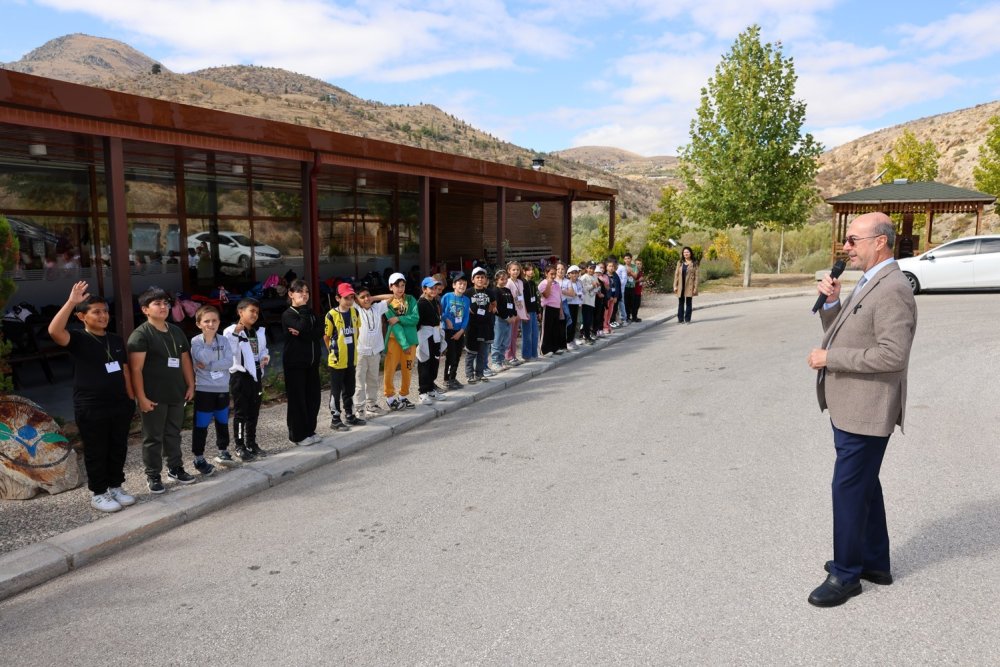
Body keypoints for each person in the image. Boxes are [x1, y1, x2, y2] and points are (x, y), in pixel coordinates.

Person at [806, 211, 918, 608]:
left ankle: (845, 574)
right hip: (852, 405)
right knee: (865, 483)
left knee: (848, 488)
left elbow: (892, 355)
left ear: (880, 242)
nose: (846, 247)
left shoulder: (892, 289)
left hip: (869, 408)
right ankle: (875, 562)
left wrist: (830, 358)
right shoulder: (872, 280)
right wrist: (832, 304)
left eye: (854, 240)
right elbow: (849, 330)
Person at [48, 281, 136, 512]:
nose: (103, 315)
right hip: (91, 405)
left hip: (119, 403)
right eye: (96, 312)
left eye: (105, 311)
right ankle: (99, 493)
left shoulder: (115, 340)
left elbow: (125, 370)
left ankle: (116, 486)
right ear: (82, 317)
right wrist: (71, 302)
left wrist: (131, 398)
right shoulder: (77, 339)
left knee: (118, 447)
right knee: (97, 449)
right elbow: (54, 331)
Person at [128, 287, 197, 493]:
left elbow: (185, 359)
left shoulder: (176, 331)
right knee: (153, 437)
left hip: (176, 392)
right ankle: (153, 474)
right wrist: (141, 397)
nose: (163, 307)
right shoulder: (140, 335)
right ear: (145, 310)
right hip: (153, 396)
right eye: (157, 304)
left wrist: (191, 385)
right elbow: (135, 369)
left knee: (173, 433)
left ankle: (175, 468)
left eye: (166, 303)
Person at [224, 298, 270, 460]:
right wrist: (236, 333)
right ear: (240, 312)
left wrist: (265, 357)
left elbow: (263, 350)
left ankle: (251, 443)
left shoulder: (258, 331)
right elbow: (229, 351)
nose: (255, 315)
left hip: (256, 375)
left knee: (254, 412)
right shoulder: (231, 331)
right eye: (251, 311)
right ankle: (240, 445)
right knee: (241, 413)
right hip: (240, 377)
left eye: (257, 312)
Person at [189, 305, 231, 474]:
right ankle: (198, 457)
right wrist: (207, 341)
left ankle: (223, 450)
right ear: (199, 324)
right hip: (204, 389)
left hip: (222, 387)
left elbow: (229, 362)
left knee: (222, 422)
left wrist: (210, 365)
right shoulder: (196, 341)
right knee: (201, 425)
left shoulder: (224, 340)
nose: (211, 324)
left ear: (219, 322)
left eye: (214, 320)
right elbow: (202, 357)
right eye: (206, 321)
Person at [282, 279, 323, 446]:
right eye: (300, 291)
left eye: (306, 291)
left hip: (312, 363)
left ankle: (309, 430)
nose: (304, 294)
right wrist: (304, 326)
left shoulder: (311, 312)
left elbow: (319, 331)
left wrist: (302, 333)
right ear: (291, 294)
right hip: (295, 364)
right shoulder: (289, 314)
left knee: (313, 398)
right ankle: (297, 435)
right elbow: (304, 327)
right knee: (297, 400)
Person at [324, 283, 366, 430]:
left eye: (351, 298)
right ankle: (335, 418)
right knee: (336, 391)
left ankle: (350, 415)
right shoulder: (331, 315)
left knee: (350, 389)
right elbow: (326, 337)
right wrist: (333, 351)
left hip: (351, 358)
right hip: (337, 360)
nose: (349, 301)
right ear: (337, 298)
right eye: (345, 298)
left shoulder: (355, 312)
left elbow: (357, 331)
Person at [382, 272, 418, 410]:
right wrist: (404, 344)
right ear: (391, 287)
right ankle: (390, 398)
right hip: (394, 341)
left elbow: (415, 318)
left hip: (411, 341)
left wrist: (399, 318)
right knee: (390, 369)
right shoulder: (388, 303)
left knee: (408, 369)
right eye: (397, 286)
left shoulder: (411, 299)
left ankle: (403, 396)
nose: (400, 289)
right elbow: (394, 325)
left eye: (402, 285)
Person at [353, 285, 390, 418]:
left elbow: (392, 297)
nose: (366, 299)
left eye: (368, 295)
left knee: (373, 380)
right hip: (361, 352)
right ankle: (359, 408)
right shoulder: (356, 309)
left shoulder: (377, 308)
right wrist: (358, 299)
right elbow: (349, 299)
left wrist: (373, 298)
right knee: (359, 382)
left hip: (375, 351)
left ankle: (371, 405)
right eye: (362, 297)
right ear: (356, 300)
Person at [415, 276, 447, 403]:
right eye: (431, 288)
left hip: (436, 333)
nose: (434, 290)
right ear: (424, 289)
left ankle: (431, 388)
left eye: (435, 288)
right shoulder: (421, 303)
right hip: (425, 334)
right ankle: (423, 392)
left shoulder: (435, 301)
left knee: (435, 362)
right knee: (425, 362)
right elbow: (417, 322)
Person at [464, 266, 495, 382]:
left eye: (482, 277)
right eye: (477, 277)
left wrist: (492, 308)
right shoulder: (468, 293)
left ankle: (480, 373)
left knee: (483, 353)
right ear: (473, 279)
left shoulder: (490, 292)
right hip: (472, 327)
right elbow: (462, 305)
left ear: (486, 279)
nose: (480, 279)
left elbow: (493, 303)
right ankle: (469, 374)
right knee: (471, 352)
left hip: (485, 326)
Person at [440, 273, 470, 390]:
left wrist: (462, 330)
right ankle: (447, 379)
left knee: (458, 355)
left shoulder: (466, 300)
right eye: (460, 283)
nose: (462, 286)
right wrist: (446, 320)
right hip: (449, 331)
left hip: (459, 331)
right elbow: (441, 311)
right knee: (451, 356)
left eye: (464, 284)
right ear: (454, 285)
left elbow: (466, 316)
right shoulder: (447, 297)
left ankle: (453, 377)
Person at [490, 268, 517, 372]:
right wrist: (506, 317)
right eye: (502, 279)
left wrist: (514, 315)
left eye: (506, 279)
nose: (504, 281)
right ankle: (495, 362)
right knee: (497, 341)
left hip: (510, 319)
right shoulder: (495, 291)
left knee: (506, 341)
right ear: (497, 280)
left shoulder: (508, 290)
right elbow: (497, 307)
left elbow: (512, 304)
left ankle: (501, 361)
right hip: (500, 319)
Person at [538, 264, 564, 356]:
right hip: (548, 308)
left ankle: (554, 348)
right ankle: (544, 350)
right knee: (547, 329)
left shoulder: (557, 283)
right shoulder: (543, 283)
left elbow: (559, 297)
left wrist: (561, 310)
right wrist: (549, 283)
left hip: (556, 308)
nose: (553, 276)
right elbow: (546, 295)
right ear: (546, 273)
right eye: (551, 274)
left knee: (555, 329)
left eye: (554, 274)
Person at [520, 263, 540, 360]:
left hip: (533, 311)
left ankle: (534, 354)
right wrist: (524, 312)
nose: (531, 271)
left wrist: (538, 311)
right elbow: (522, 299)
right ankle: (526, 355)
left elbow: (535, 298)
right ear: (524, 271)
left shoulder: (532, 283)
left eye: (532, 269)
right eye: (528, 270)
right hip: (526, 312)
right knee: (527, 334)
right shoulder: (522, 283)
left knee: (535, 333)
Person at [674, 247, 698, 323]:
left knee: (688, 302)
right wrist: (675, 286)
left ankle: (687, 319)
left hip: (689, 286)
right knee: (680, 303)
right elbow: (676, 275)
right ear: (683, 254)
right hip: (680, 285)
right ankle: (680, 319)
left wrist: (695, 288)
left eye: (687, 252)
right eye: (684, 252)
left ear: (690, 253)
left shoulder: (694, 263)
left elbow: (697, 277)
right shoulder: (680, 262)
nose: (686, 254)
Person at [562, 265, 583, 349]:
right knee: (569, 323)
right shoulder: (567, 282)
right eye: (572, 273)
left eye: (576, 273)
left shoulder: (579, 282)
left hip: (576, 304)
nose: (575, 275)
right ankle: (567, 341)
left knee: (575, 322)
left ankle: (572, 339)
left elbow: (581, 292)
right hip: (569, 304)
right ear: (569, 274)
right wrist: (575, 294)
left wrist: (579, 296)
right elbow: (567, 294)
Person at [579, 262, 598, 344]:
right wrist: (592, 286)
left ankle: (588, 335)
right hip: (585, 301)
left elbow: (598, 287)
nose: (591, 270)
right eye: (590, 268)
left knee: (590, 320)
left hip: (592, 300)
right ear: (586, 268)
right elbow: (583, 289)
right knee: (586, 320)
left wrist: (595, 287)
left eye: (593, 268)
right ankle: (585, 336)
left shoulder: (595, 276)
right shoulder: (583, 278)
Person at [631, 258, 644, 322]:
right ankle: (633, 317)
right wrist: (638, 280)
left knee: (638, 305)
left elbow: (641, 283)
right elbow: (632, 282)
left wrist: (642, 290)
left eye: (640, 264)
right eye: (637, 264)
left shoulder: (641, 272)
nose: (639, 265)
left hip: (639, 291)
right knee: (634, 305)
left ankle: (635, 316)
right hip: (634, 291)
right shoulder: (634, 272)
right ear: (635, 264)